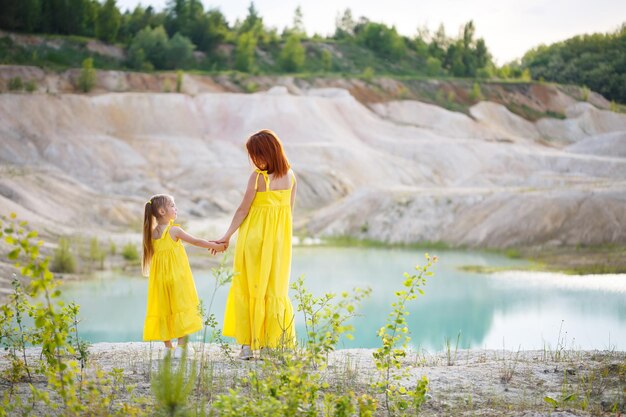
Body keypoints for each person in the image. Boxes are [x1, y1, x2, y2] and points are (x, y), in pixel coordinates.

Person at [219, 129, 297, 360]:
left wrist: (227, 235)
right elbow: (289, 214)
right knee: (275, 289)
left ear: (267, 153)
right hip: (279, 244)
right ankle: (273, 345)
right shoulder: (291, 176)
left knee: (249, 287)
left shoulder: (257, 177)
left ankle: (246, 347)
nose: (254, 160)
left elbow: (243, 209)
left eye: (256, 154)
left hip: (252, 240)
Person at [142, 194, 227, 357]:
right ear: (161, 211)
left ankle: (168, 348)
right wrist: (215, 245)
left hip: (159, 280)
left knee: (164, 308)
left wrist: (212, 243)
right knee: (181, 305)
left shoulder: (152, 234)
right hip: (177, 276)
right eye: (173, 206)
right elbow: (195, 241)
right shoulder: (174, 230)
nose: (176, 209)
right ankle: (181, 347)